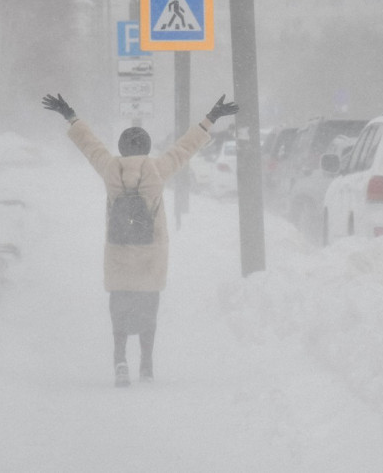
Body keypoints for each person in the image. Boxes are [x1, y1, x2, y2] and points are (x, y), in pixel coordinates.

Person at [41, 92, 239, 387]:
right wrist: (211, 117)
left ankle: (120, 360)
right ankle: (146, 364)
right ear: (146, 148)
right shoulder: (157, 169)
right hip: (150, 258)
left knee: (118, 314)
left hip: (119, 256)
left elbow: (90, 145)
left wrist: (69, 114)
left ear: (121, 148)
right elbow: (184, 148)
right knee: (149, 313)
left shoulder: (110, 168)